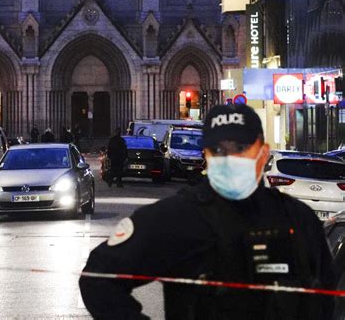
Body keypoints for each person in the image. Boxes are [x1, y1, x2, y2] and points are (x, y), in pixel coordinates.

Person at [80, 103, 335, 319]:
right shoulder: (176, 217)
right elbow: (98, 278)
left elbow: (326, 296)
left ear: (263, 153)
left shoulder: (299, 219)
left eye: (241, 148)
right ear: (207, 156)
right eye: (219, 150)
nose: (230, 158)